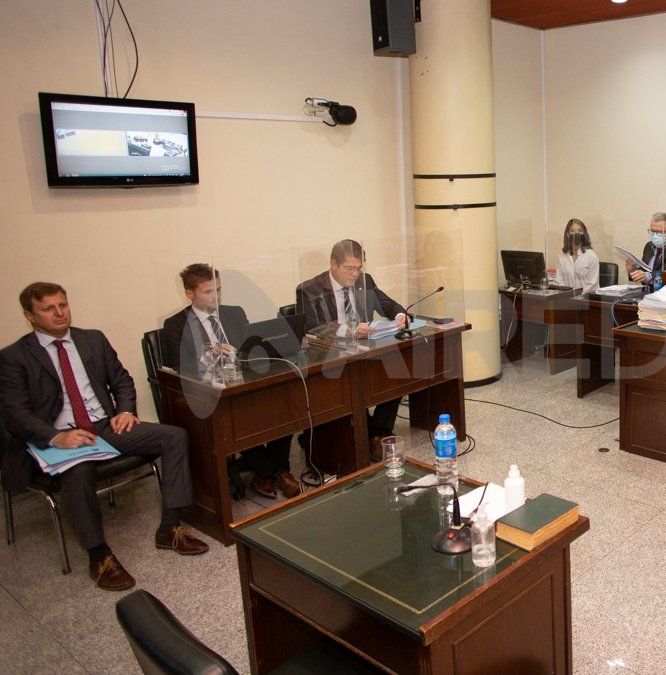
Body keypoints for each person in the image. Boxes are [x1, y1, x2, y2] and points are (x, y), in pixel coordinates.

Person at [0, 282, 208, 591]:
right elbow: (15, 414)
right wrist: (56, 437)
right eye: (48, 308)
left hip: (105, 424)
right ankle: (99, 556)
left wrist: (125, 409)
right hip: (60, 435)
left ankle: (171, 527)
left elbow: (122, 380)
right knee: (77, 471)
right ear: (29, 315)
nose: (59, 313)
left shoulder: (91, 340)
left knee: (174, 436)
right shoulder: (14, 357)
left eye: (62, 305)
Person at [161, 264, 300, 500]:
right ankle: (279, 474)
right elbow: (177, 369)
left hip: (243, 383)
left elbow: (251, 349)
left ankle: (266, 474)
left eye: (218, 289)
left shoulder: (234, 312)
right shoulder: (175, 324)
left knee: (283, 407)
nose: (215, 296)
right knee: (236, 420)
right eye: (208, 292)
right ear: (189, 293)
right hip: (208, 394)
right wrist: (208, 355)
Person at [296, 240, 407, 458]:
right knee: (353, 385)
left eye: (359, 268)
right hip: (329, 355)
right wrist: (347, 331)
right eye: (350, 268)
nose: (355, 274)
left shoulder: (364, 281)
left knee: (397, 370)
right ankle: (372, 435)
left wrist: (400, 315)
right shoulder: (309, 289)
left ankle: (377, 433)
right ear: (333, 264)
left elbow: (386, 304)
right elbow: (312, 328)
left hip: (364, 349)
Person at [626, 212, 666, 285]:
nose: (655, 236)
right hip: (648, 293)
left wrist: (648, 275)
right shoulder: (649, 246)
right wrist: (633, 271)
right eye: (653, 231)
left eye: (660, 232)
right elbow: (643, 275)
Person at [554, 219, 600, 294]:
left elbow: (592, 284)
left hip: (586, 299)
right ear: (568, 235)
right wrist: (566, 295)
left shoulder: (591, 256)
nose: (576, 233)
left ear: (584, 234)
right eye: (572, 231)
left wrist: (576, 295)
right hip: (566, 298)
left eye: (579, 231)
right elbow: (558, 281)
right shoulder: (561, 256)